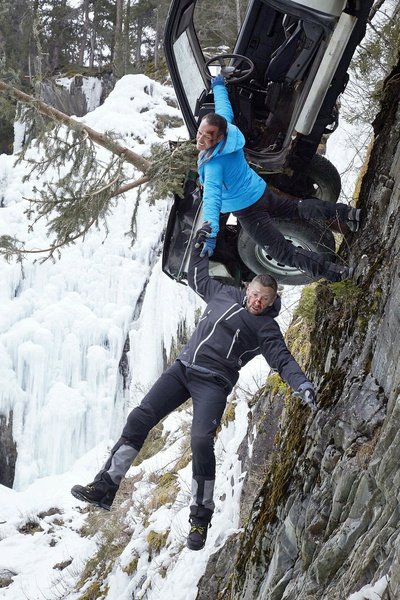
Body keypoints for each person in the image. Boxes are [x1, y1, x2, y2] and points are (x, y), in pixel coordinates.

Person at [71, 225, 317, 551]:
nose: (258, 301)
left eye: (265, 299)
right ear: (248, 288)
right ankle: (104, 487)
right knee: (139, 419)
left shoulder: (265, 328)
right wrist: (199, 244)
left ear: (273, 301)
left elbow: (283, 360)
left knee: (201, 441)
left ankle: (200, 519)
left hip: (213, 384)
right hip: (182, 370)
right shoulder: (223, 293)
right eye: (255, 294)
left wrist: (300, 383)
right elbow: (196, 274)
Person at [196, 74, 361, 280]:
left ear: (219, 137)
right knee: (299, 208)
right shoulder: (230, 131)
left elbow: (212, 199)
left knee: (282, 252)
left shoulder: (213, 165)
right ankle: (350, 214)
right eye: (200, 134)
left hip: (249, 211)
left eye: (207, 136)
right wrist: (219, 86)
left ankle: (336, 272)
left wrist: (210, 235)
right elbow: (223, 110)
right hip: (260, 192)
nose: (201, 140)